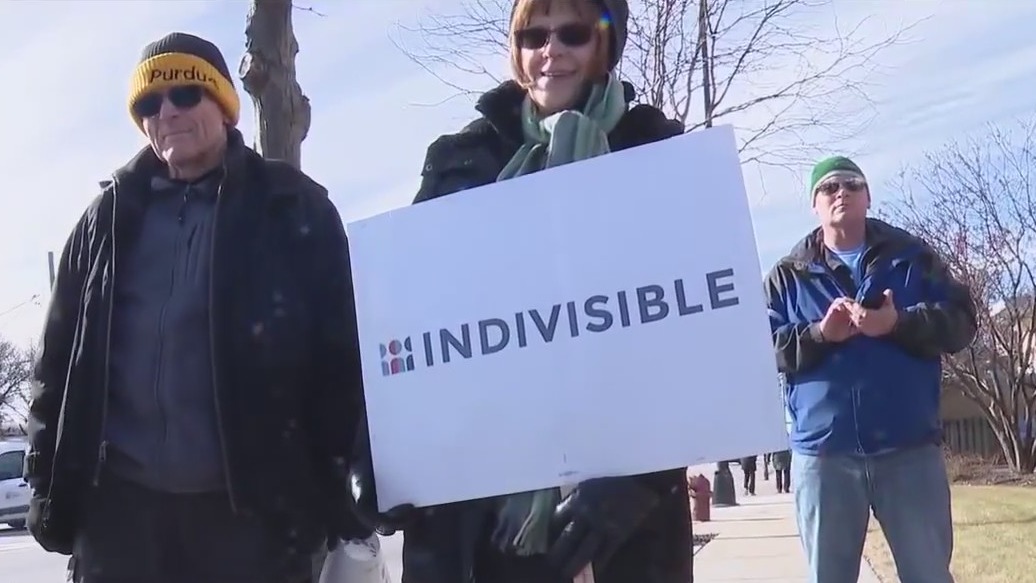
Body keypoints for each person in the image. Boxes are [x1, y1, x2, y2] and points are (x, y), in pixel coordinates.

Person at [353, 1, 692, 582]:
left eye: (573, 33)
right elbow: (410, 318)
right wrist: (377, 449)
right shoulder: (459, 161)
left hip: (617, 517)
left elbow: (695, 337)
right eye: (534, 35)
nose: (551, 50)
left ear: (605, 45)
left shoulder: (657, 152)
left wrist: (640, 479)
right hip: (477, 511)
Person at [24, 32, 370, 583]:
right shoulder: (104, 220)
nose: (167, 113)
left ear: (226, 106)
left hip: (255, 522)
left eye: (185, 94)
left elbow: (344, 358)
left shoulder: (293, 207)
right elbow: (57, 365)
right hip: (120, 521)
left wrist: (343, 486)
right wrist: (46, 485)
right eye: (149, 103)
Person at [764, 156, 977, 583]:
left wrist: (898, 323)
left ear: (868, 197)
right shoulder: (787, 276)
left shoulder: (912, 257)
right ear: (814, 205)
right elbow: (761, 349)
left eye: (851, 184)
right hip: (824, 456)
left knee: (929, 575)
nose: (840, 193)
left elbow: (962, 322)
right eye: (828, 188)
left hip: (909, 449)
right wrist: (820, 335)